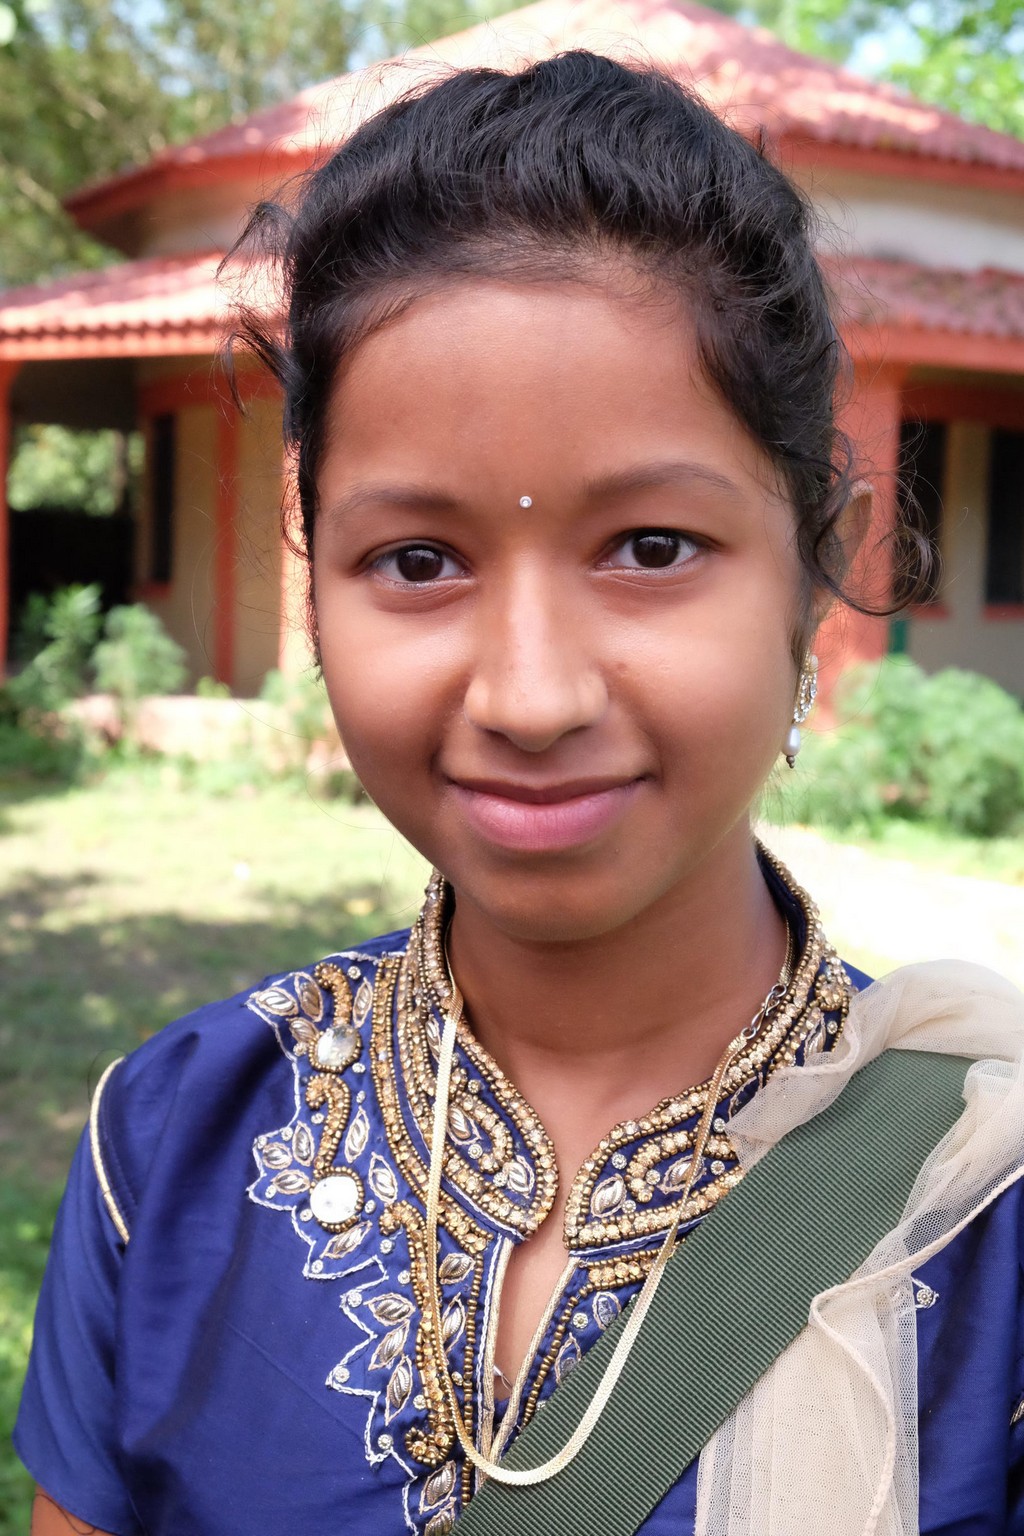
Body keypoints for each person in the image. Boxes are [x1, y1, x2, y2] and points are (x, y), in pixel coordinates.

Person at [15, 51, 1024, 1536]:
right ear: (316, 580)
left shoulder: (989, 1215)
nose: (531, 697)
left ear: (818, 566)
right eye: (418, 561)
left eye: (653, 548)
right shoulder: (168, 1153)